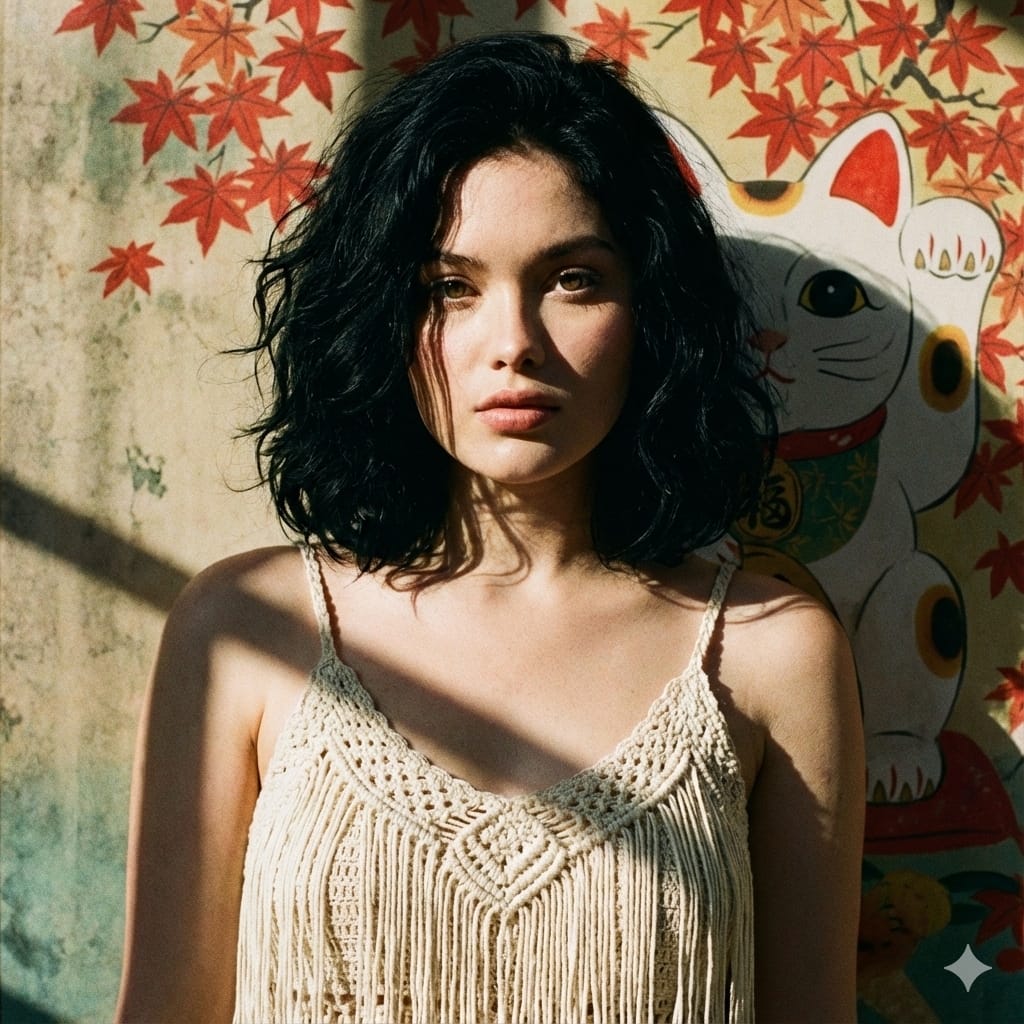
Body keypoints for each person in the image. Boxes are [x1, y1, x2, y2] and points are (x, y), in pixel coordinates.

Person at [114, 32, 864, 1024]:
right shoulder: (245, 626)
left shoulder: (770, 653)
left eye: (574, 279)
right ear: (381, 317)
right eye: (449, 288)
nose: (513, 343)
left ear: (652, 311)